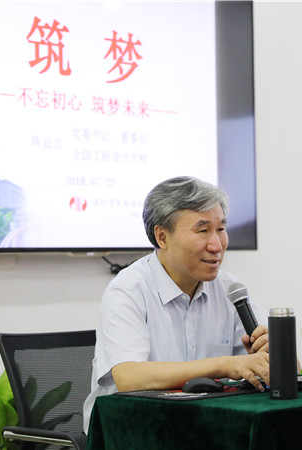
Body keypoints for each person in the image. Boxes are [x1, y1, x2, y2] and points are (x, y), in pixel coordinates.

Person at [83, 176, 269, 432]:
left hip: (202, 425)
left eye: (221, 229)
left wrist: (271, 356)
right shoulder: (128, 290)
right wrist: (225, 365)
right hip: (132, 430)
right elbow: (129, 377)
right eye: (202, 231)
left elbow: (282, 370)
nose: (217, 245)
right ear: (162, 237)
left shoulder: (229, 289)